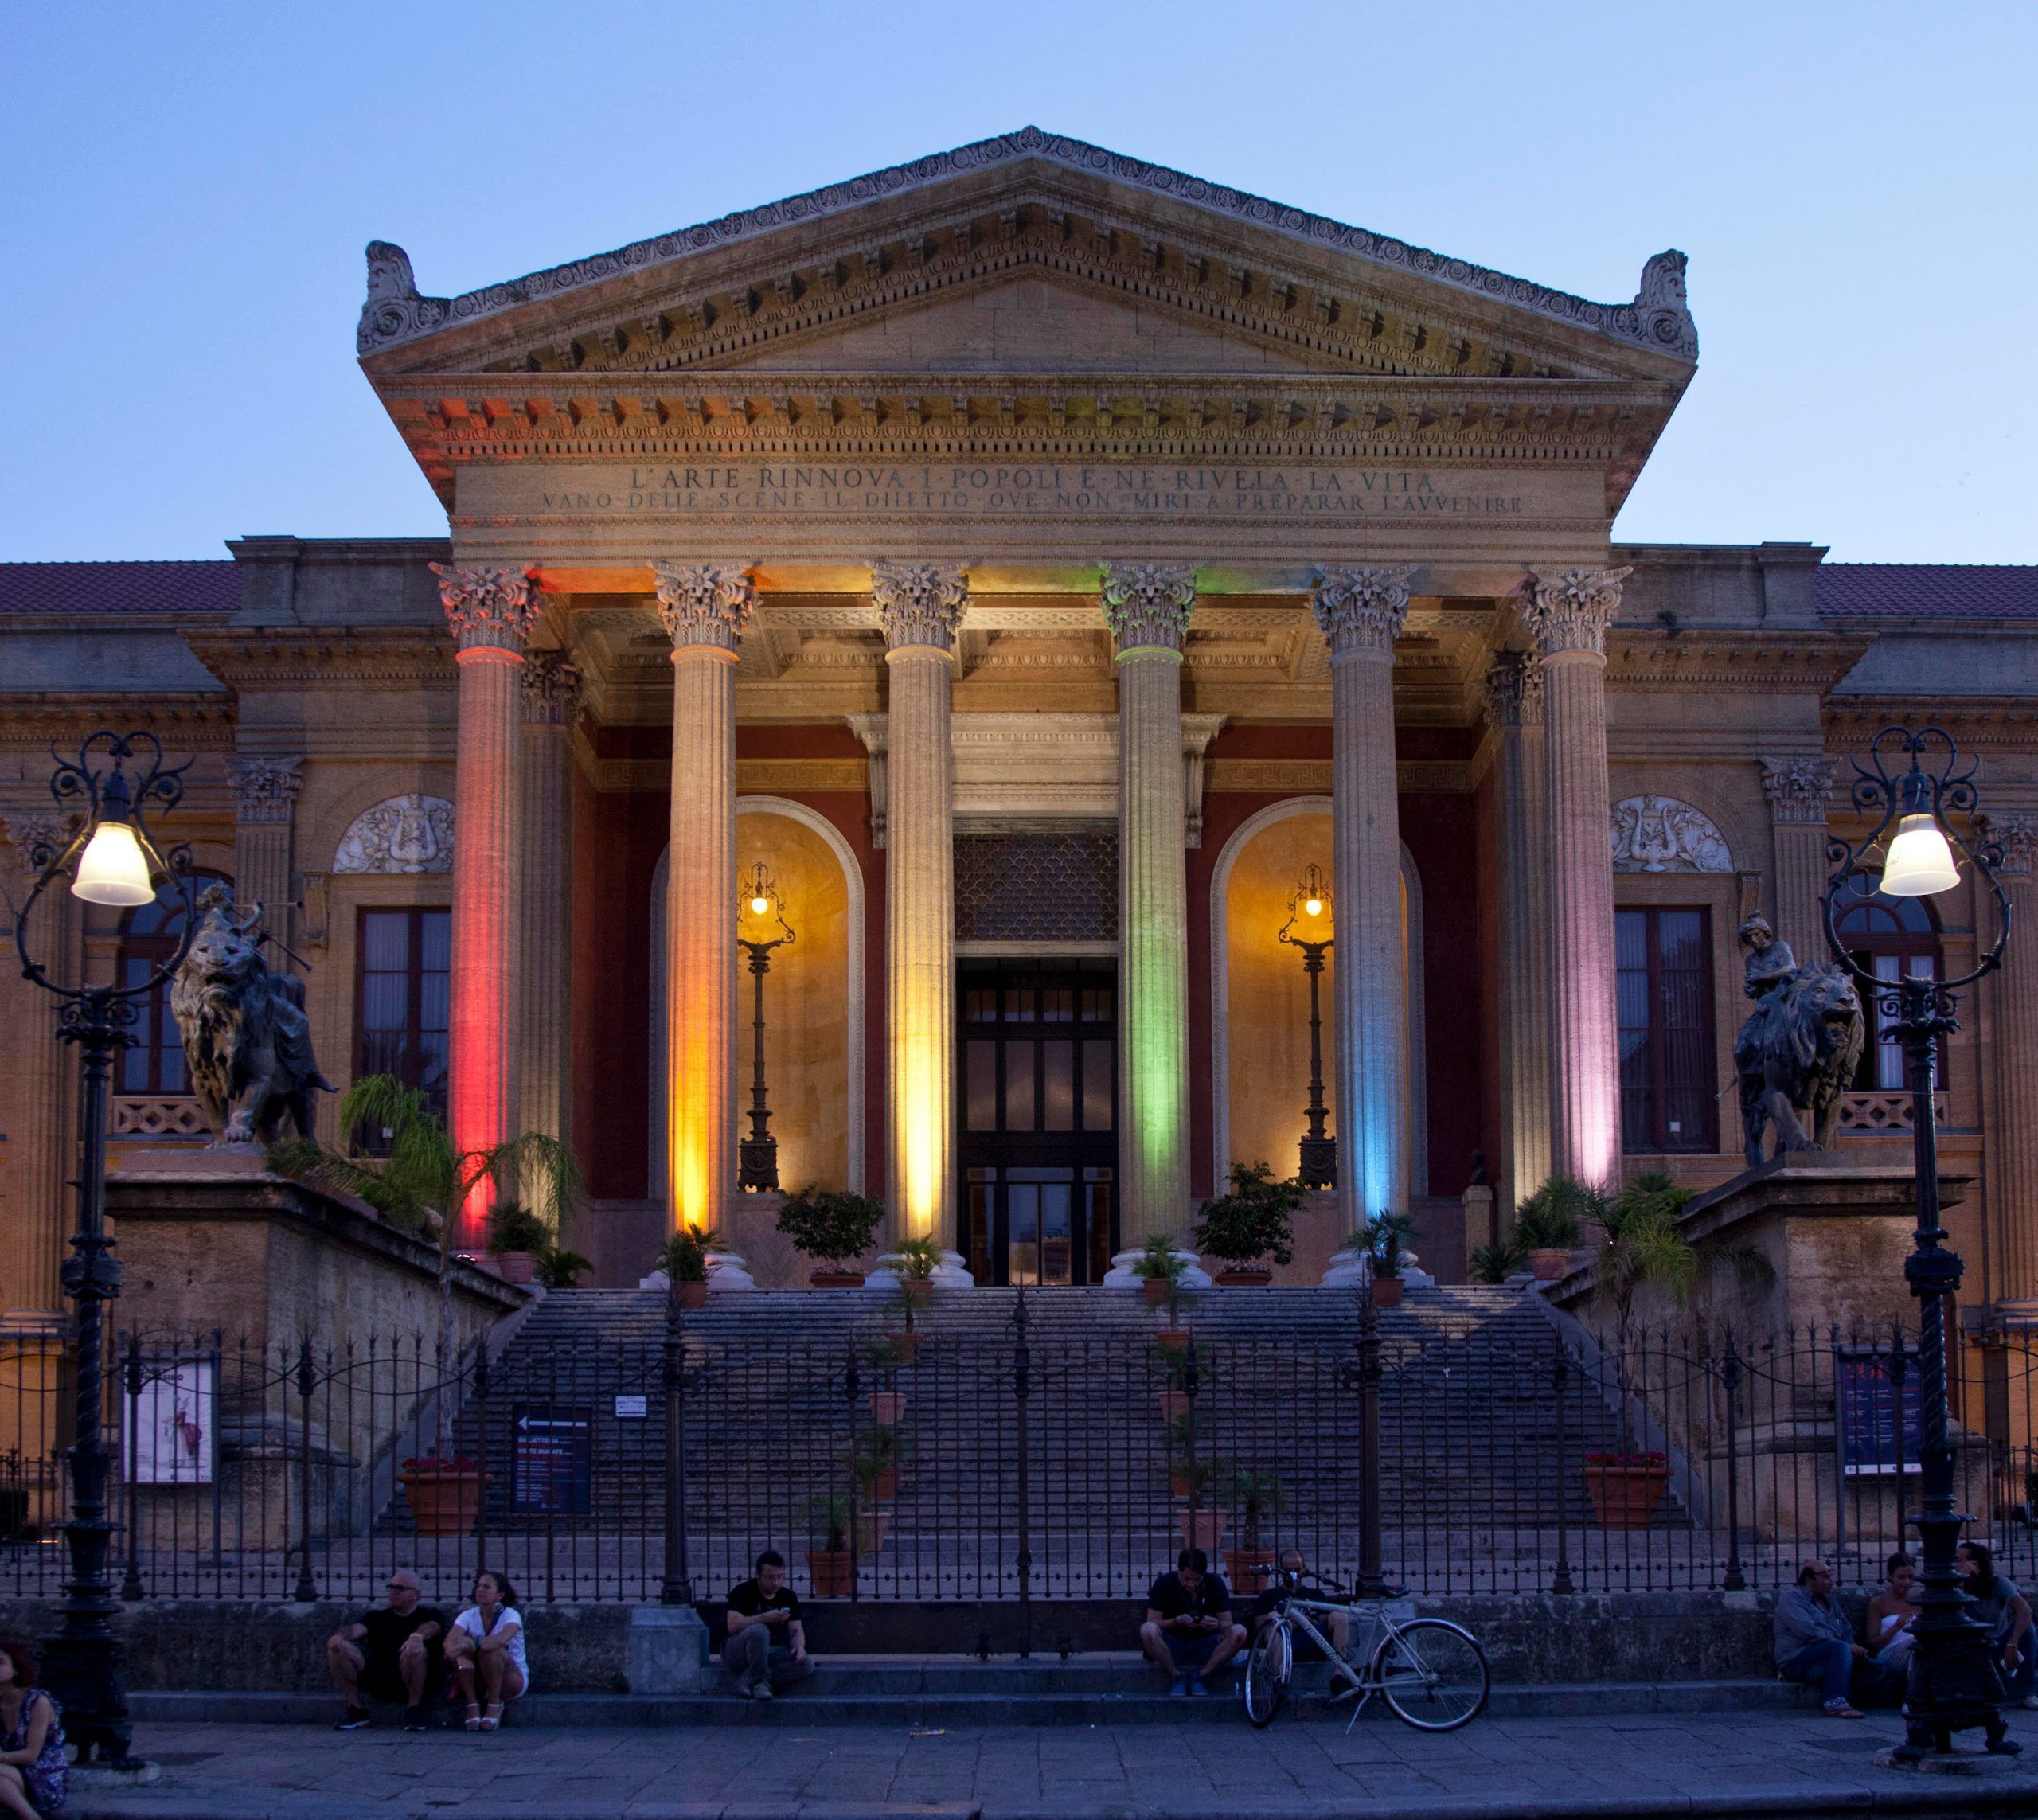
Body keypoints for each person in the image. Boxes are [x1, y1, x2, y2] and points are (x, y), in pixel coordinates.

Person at [327, 1570, 446, 1732]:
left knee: (414, 1650)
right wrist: (339, 1636)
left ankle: (414, 1708)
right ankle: (356, 1708)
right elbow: (354, 1630)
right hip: (379, 1677)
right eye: (391, 1587)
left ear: (416, 1594)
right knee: (338, 1648)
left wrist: (417, 1636)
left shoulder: (429, 1615)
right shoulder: (377, 1617)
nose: (394, 1592)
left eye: (400, 1588)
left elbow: (433, 1627)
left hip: (412, 1678)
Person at [1142, 1547, 1247, 1697]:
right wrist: (1176, 1621)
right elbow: (1153, 1621)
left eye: (1196, 1580)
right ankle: (1177, 1675)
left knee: (1239, 1632)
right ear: (1178, 1571)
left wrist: (1216, 1624)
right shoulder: (1164, 1583)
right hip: (1173, 1645)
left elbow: (1228, 1624)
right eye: (1186, 1579)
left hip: (1207, 1646)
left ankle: (1202, 1675)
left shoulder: (1215, 1583)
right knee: (1147, 1630)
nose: (1191, 1585)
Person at [1774, 1559, 1869, 1717]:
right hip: (1796, 1660)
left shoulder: (1830, 1602)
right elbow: (1808, 1631)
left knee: (1876, 1668)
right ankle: (1835, 1702)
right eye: (1825, 1577)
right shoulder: (1792, 1599)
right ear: (1810, 1580)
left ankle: (1847, 1695)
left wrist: (1854, 1648)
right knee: (1839, 1648)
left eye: (1831, 1575)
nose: (1831, 1581)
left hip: (1832, 1657)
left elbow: (1845, 1630)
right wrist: (1845, 1646)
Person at [443, 1570, 527, 1732]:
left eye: (487, 1587)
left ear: (500, 1595)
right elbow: (450, 1641)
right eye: (479, 1586)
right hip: (479, 1676)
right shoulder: (467, 1615)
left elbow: (501, 1639)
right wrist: (460, 1656)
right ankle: (472, 1703)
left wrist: (468, 1645)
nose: (480, 1590)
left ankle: (495, 1703)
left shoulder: (511, 1615)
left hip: (510, 1679)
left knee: (490, 1650)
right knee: (463, 1648)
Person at [1957, 1541, 2038, 1707]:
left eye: (1958, 1560)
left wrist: (2012, 1644)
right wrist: (1958, 1580)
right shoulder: (1954, 1587)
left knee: (2027, 1629)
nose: (1954, 1564)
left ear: (1975, 1564)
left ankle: (2026, 1693)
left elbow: (2025, 1611)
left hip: (1996, 1645)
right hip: (1970, 1651)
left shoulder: (1998, 1584)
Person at [724, 1550, 812, 1701]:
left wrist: (799, 1648)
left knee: (807, 1665)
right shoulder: (743, 1591)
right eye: (770, 1577)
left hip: (771, 1651)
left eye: (780, 1577)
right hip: (738, 1650)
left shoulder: (788, 1596)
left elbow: (796, 1629)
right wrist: (763, 1618)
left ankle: (749, 1679)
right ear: (757, 1575)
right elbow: (732, 1625)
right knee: (760, 1631)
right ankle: (760, 1682)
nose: (776, 1582)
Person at [1249, 1548, 1350, 1660]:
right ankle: (1278, 1675)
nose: (1293, 1574)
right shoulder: (1268, 1596)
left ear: (1304, 1569)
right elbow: (1260, 1626)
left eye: (1297, 1570)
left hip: (1312, 1639)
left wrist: (1309, 1622)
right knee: (1273, 1617)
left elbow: (1325, 1622)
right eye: (1288, 1570)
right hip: (1285, 1641)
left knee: (1341, 1616)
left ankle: (1340, 1675)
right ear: (1280, 1569)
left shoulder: (1316, 1594)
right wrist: (1292, 1622)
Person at [0, 1638, 63, 1819]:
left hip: (42, 1776)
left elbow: (31, 1755)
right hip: (9, 1773)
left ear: (16, 1669)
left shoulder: (37, 1703)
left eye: (1, 1663)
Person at [1863, 1552, 1919, 1675]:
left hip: (1915, 1649)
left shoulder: (1917, 1602)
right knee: (1914, 1644)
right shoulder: (1878, 1603)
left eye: (1911, 1577)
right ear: (1890, 1576)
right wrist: (1897, 1626)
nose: (1907, 1582)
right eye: (1901, 1577)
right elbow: (1872, 1644)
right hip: (1889, 1652)